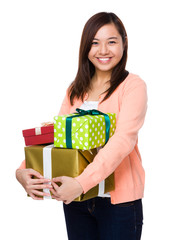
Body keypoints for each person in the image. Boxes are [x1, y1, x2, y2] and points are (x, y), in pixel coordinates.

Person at [16, 12, 147, 240]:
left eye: (112, 42)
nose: (103, 50)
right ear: (86, 47)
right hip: (75, 200)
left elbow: (123, 141)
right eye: (95, 43)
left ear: (124, 43)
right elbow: (58, 136)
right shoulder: (75, 89)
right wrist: (23, 170)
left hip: (118, 205)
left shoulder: (132, 86)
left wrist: (80, 183)